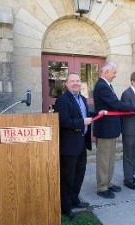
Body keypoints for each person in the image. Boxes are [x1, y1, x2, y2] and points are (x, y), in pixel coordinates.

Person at [93, 62, 135, 199]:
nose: (115, 75)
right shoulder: (101, 86)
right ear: (106, 72)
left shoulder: (107, 85)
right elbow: (115, 104)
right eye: (114, 73)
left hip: (110, 129)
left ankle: (108, 183)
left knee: (110, 159)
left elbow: (113, 105)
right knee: (104, 160)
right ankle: (102, 187)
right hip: (104, 129)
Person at [54, 72, 95, 219]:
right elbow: (63, 122)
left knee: (79, 174)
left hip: (81, 143)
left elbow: (84, 113)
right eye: (72, 81)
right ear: (66, 83)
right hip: (69, 146)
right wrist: (81, 122)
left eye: (78, 81)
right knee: (67, 177)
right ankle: (66, 207)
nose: (76, 83)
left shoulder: (82, 98)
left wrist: (98, 113)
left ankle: (74, 199)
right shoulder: (62, 100)